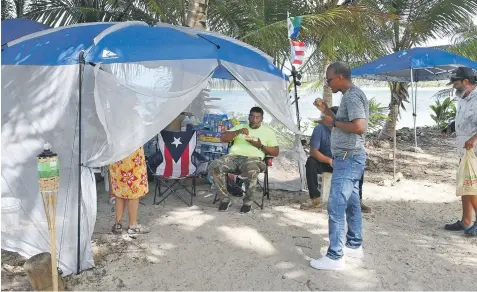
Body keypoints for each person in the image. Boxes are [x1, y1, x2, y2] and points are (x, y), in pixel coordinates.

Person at [309, 61, 369, 270]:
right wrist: (328, 112)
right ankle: (354, 244)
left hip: (348, 158)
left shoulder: (352, 96)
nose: (327, 84)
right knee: (352, 201)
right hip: (350, 157)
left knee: (336, 204)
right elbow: (344, 122)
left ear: (341, 77)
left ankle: (335, 256)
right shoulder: (349, 96)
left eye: (329, 79)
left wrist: (332, 123)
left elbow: (359, 127)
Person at [208, 107, 279, 213]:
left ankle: (247, 202)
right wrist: (237, 132)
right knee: (214, 166)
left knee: (251, 169)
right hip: (234, 157)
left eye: (257, 117)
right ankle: (225, 199)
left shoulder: (268, 132)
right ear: (248, 116)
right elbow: (223, 138)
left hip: (253, 159)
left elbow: (275, 152)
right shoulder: (241, 127)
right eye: (252, 116)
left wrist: (261, 146)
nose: (254, 119)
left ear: (261, 119)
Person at [301, 106, 371, 213]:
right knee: (311, 162)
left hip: (342, 161)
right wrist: (329, 160)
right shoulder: (320, 129)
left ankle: (357, 200)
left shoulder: (347, 131)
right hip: (325, 161)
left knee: (358, 164)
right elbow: (313, 152)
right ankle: (315, 198)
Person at [444, 66, 477, 237]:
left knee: (472, 186)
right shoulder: (463, 98)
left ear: (465, 82)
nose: (454, 87)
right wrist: (451, 126)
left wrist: (473, 138)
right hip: (464, 150)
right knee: (465, 185)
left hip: (474, 150)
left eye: (456, 83)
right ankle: (466, 221)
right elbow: (464, 119)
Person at [110, 146, 150, 235]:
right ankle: (133, 226)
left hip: (117, 153)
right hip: (132, 153)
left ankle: (118, 224)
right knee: (134, 190)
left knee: (119, 190)